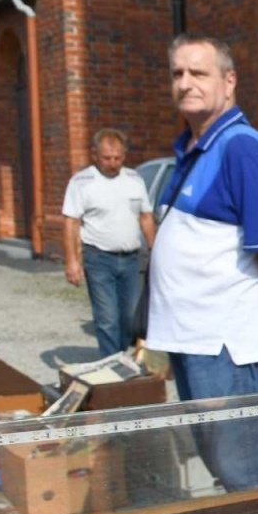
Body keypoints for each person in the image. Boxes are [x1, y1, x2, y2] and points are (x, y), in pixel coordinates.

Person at [145, 34, 258, 491]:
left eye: (199, 72)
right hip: (197, 339)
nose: (185, 82)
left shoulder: (239, 146)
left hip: (222, 344)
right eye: (178, 73)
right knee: (220, 462)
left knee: (244, 471)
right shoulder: (195, 149)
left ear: (228, 81)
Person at [62, 128, 155, 357]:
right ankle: (110, 362)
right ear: (95, 155)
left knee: (130, 317)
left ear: (124, 156)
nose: (112, 163)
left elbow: (145, 216)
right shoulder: (82, 182)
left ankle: (121, 356)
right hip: (99, 258)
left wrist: (156, 249)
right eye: (106, 158)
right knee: (107, 318)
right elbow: (71, 222)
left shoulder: (134, 179)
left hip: (131, 259)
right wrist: (72, 261)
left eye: (117, 158)